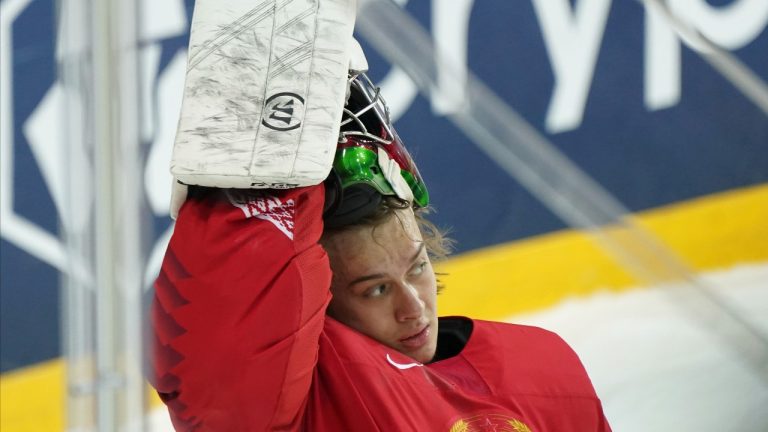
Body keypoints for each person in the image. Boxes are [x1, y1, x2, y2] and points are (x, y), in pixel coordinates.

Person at [150, 72, 612, 431]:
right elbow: (214, 364)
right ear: (316, 307)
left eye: (417, 268)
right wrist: (264, 195)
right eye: (374, 290)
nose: (413, 309)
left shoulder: (543, 361)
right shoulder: (307, 404)